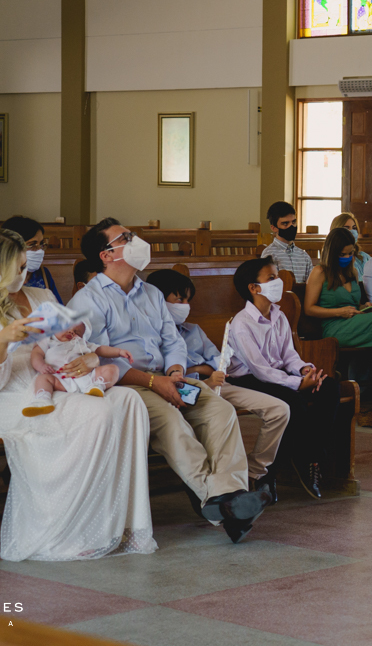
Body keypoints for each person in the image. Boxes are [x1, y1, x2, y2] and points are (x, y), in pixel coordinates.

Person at [0, 229, 155, 561]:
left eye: (25, 266)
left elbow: (74, 338)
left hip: (57, 379)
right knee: (96, 412)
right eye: (17, 268)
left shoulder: (41, 296)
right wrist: (3, 340)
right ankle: (71, 530)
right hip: (7, 395)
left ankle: (122, 524)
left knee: (129, 401)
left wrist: (88, 358)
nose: (24, 274)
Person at [70, 218, 271, 543]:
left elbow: (172, 340)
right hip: (127, 385)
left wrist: (176, 371)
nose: (135, 240)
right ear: (106, 255)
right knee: (170, 420)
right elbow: (101, 358)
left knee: (219, 411)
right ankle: (223, 502)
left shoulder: (150, 293)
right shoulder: (88, 300)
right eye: (125, 238)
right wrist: (154, 383)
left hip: (169, 377)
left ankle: (229, 500)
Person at [145, 268, 291, 493]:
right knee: (216, 418)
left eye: (188, 300)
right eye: (179, 299)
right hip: (186, 390)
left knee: (279, 410)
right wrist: (199, 370)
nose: (185, 305)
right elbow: (164, 374)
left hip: (218, 384)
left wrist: (208, 373)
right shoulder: (150, 336)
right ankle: (216, 487)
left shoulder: (193, 330)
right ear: (158, 300)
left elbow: (218, 360)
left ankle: (254, 471)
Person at [226, 257, 340, 499]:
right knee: (292, 402)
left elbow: (289, 355)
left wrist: (304, 371)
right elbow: (260, 370)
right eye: (271, 278)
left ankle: (310, 458)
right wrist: (298, 384)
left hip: (278, 375)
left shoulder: (279, 315)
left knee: (329, 387)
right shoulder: (241, 323)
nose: (278, 282)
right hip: (247, 379)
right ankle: (270, 471)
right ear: (254, 288)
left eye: (276, 276)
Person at [304, 228, 372, 370]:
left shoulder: (352, 272)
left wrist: (364, 307)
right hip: (335, 327)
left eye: (350, 253)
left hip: (355, 322)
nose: (347, 257)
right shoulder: (319, 272)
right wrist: (339, 312)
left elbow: (355, 304)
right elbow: (309, 309)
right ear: (332, 253)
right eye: (342, 254)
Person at [24, 321, 127, 416]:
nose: (71, 331)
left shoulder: (83, 343)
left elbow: (101, 349)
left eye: (77, 332)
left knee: (113, 369)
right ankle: (42, 398)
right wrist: (41, 366)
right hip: (60, 379)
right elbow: (36, 354)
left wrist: (119, 352)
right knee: (42, 379)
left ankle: (98, 386)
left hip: (87, 377)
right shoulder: (48, 340)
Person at [1, 215, 63, 303]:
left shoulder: (43, 274)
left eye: (41, 244)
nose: (39, 250)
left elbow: (58, 307)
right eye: (32, 245)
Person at [260, 201, 313, 283]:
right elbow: (269, 285)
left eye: (293, 222)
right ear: (274, 228)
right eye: (285, 223)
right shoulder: (269, 254)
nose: (291, 226)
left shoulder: (304, 256)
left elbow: (311, 284)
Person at [328, 212, 372, 278]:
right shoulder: (329, 260)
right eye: (347, 228)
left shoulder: (365, 258)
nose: (352, 231)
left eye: (354, 228)